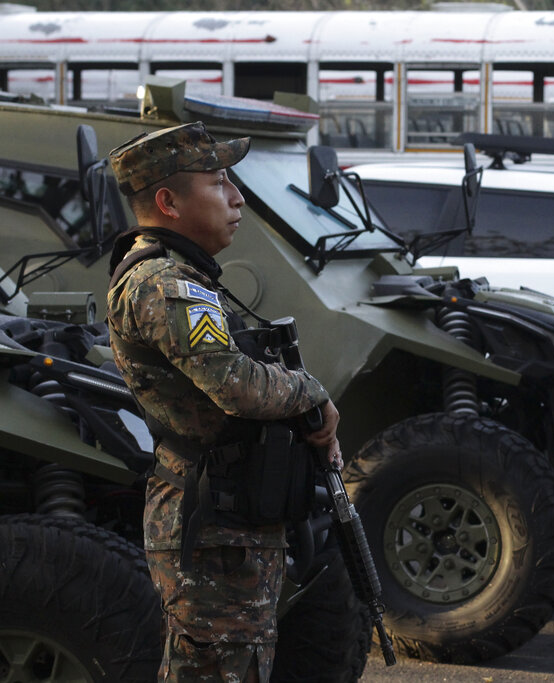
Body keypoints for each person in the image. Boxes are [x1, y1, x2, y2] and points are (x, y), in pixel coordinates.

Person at [106, 121, 343, 681]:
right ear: (168, 201)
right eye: (218, 183)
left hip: (225, 518)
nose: (236, 197)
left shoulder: (184, 275)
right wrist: (314, 394)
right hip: (210, 525)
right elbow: (234, 384)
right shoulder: (165, 282)